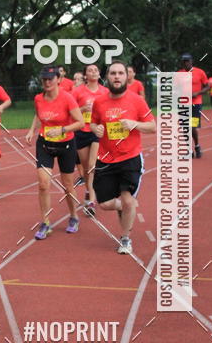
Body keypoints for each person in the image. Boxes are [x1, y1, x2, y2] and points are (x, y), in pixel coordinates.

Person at [90, 61, 156, 254]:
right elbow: (93, 124)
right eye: (113, 73)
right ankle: (124, 207)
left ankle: (125, 238)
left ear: (127, 77)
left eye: (120, 73)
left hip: (130, 158)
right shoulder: (100, 102)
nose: (117, 77)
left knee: (128, 200)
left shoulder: (136, 100)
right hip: (106, 159)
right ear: (107, 77)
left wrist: (134, 124)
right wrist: (97, 129)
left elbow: (152, 127)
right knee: (104, 204)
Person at [25, 65, 84, 239]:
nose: (47, 82)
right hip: (45, 145)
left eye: (51, 79)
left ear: (58, 80)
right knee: (43, 184)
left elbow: (80, 122)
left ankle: (73, 216)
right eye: (44, 79)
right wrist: (31, 131)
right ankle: (45, 222)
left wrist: (62, 130)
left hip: (66, 145)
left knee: (67, 185)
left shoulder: (67, 98)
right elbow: (38, 115)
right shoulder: (38, 98)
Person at [72, 64, 108, 217]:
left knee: (92, 165)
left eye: (95, 70)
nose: (93, 72)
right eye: (89, 70)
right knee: (86, 168)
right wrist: (82, 110)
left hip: (97, 131)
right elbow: (70, 111)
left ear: (99, 74)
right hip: (81, 131)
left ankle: (91, 201)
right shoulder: (77, 91)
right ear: (85, 75)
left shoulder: (105, 91)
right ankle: (89, 189)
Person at [179, 53, 209, 158]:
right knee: (184, 128)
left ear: (191, 61)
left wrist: (197, 93)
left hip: (196, 104)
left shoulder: (200, 72)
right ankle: (189, 149)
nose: (185, 63)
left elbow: (207, 86)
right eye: (184, 61)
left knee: (193, 126)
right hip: (182, 104)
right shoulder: (179, 73)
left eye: (187, 61)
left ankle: (196, 145)